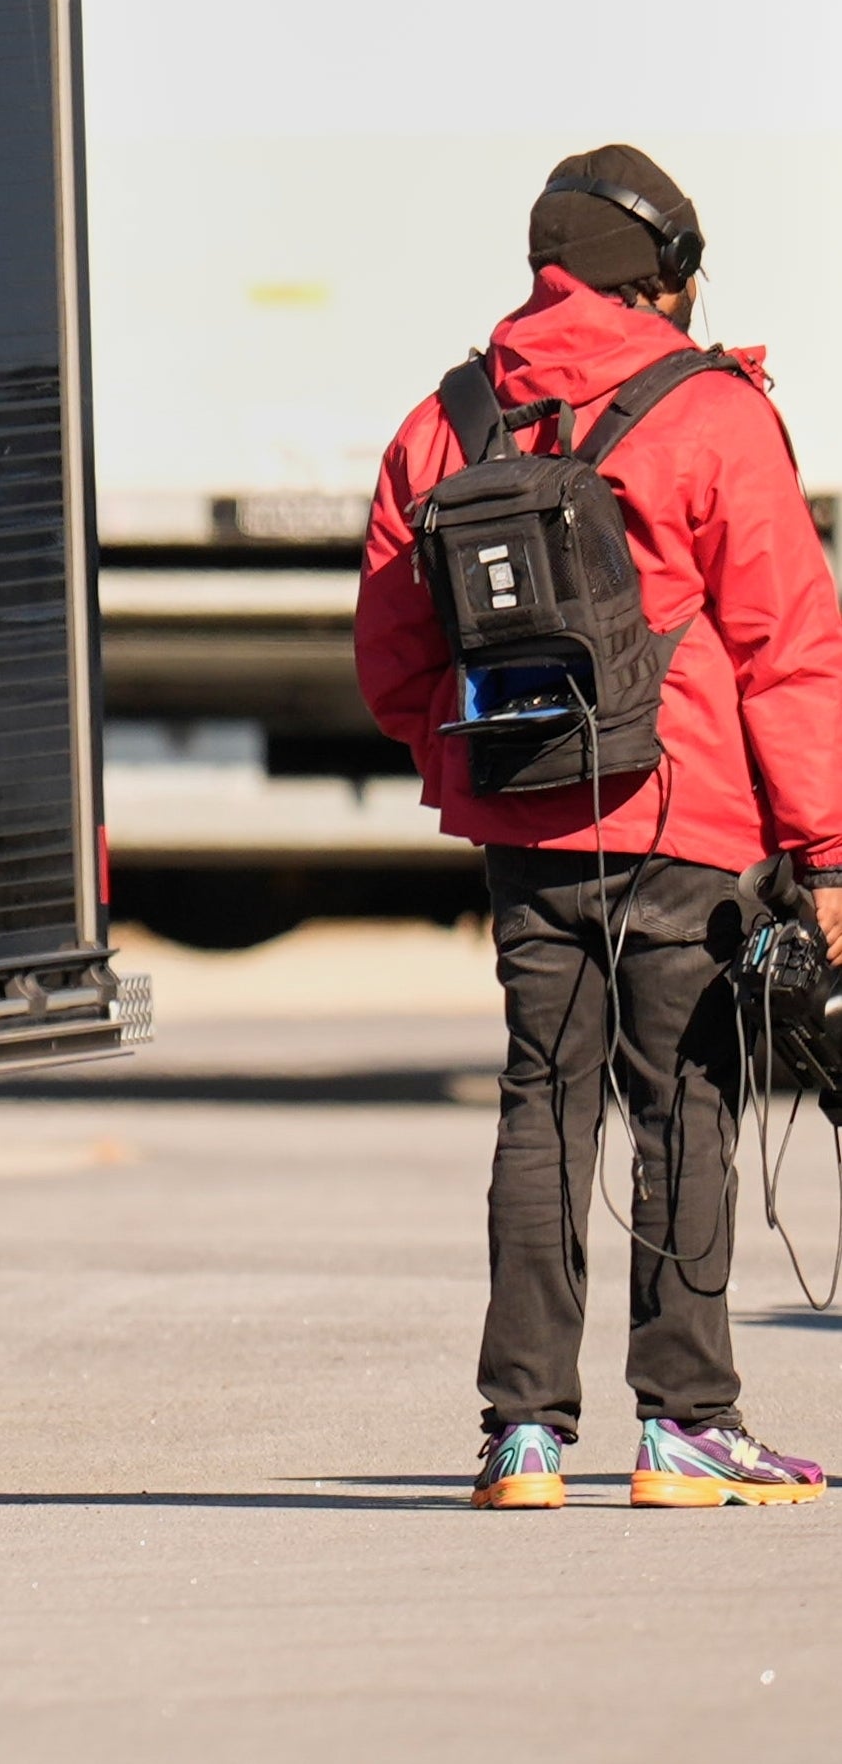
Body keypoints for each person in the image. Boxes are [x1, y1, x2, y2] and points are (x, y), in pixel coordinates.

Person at [356, 146, 842, 1511]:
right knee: (683, 1102)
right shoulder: (714, 413)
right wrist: (828, 847)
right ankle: (685, 1424)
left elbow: (393, 658)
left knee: (539, 1103)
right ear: (665, 277)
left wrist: (490, 766)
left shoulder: (444, 420)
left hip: (526, 816)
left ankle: (520, 1436)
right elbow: (790, 649)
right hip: (687, 810)